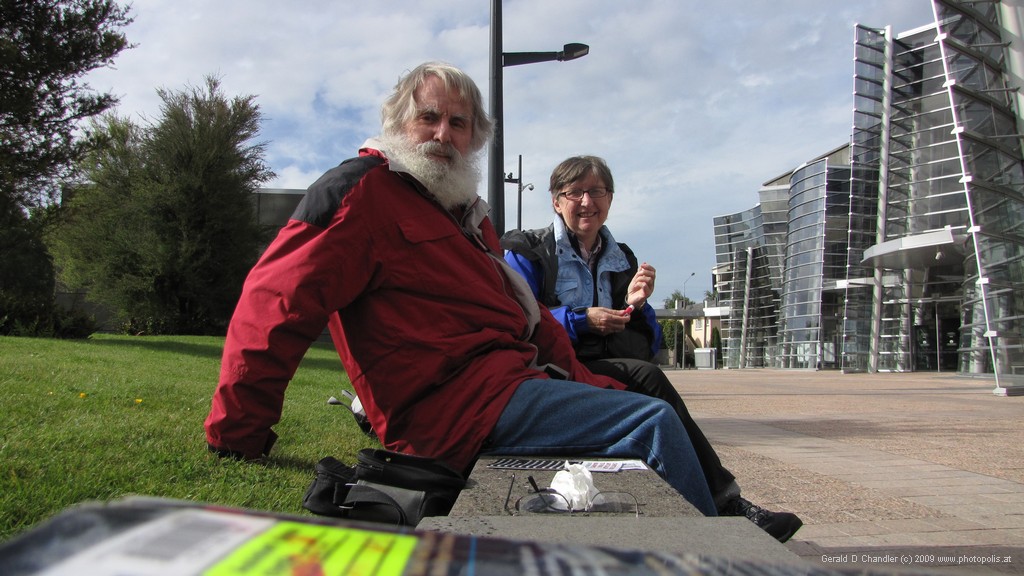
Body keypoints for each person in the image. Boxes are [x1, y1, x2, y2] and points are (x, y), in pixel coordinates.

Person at [203, 62, 719, 517]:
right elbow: (276, 304)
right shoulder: (361, 192)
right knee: (650, 422)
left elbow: (528, 317)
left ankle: (724, 513)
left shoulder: (465, 215)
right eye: (429, 117)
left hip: (505, 385)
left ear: (475, 138)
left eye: (458, 123)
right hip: (450, 411)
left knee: (641, 394)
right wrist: (238, 434)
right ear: (399, 122)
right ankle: (726, 552)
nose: (443, 134)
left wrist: (583, 380)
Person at [501, 155, 803, 542]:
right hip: (550, 371)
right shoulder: (530, 251)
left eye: (596, 191)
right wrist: (580, 320)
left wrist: (638, 307)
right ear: (556, 202)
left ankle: (722, 507)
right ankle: (726, 506)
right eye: (574, 192)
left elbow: (649, 345)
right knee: (650, 382)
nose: (586, 202)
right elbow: (517, 319)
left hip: (602, 368)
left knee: (650, 386)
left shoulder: (621, 257)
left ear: (610, 199)